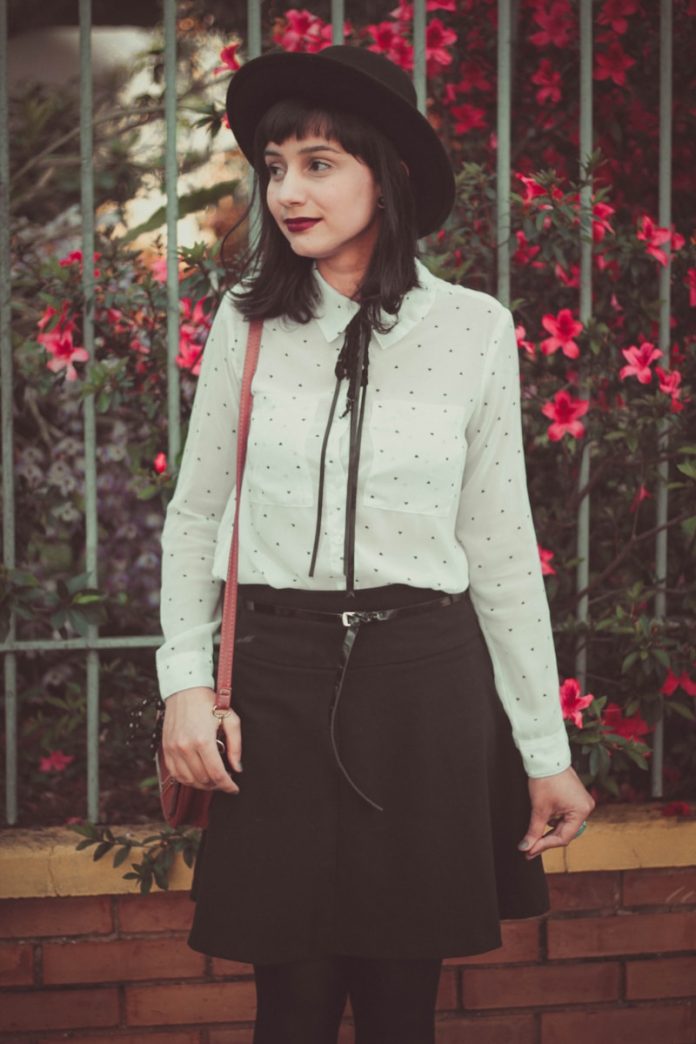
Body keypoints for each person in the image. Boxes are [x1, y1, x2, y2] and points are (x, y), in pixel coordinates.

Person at [156, 45, 595, 1044]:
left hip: (421, 682)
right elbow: (195, 514)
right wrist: (185, 682)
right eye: (274, 166)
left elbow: (499, 543)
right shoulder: (246, 322)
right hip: (272, 687)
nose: (286, 191)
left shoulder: (474, 331)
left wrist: (545, 752)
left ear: (385, 174)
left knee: (403, 1007)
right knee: (293, 1006)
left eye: (318, 163)